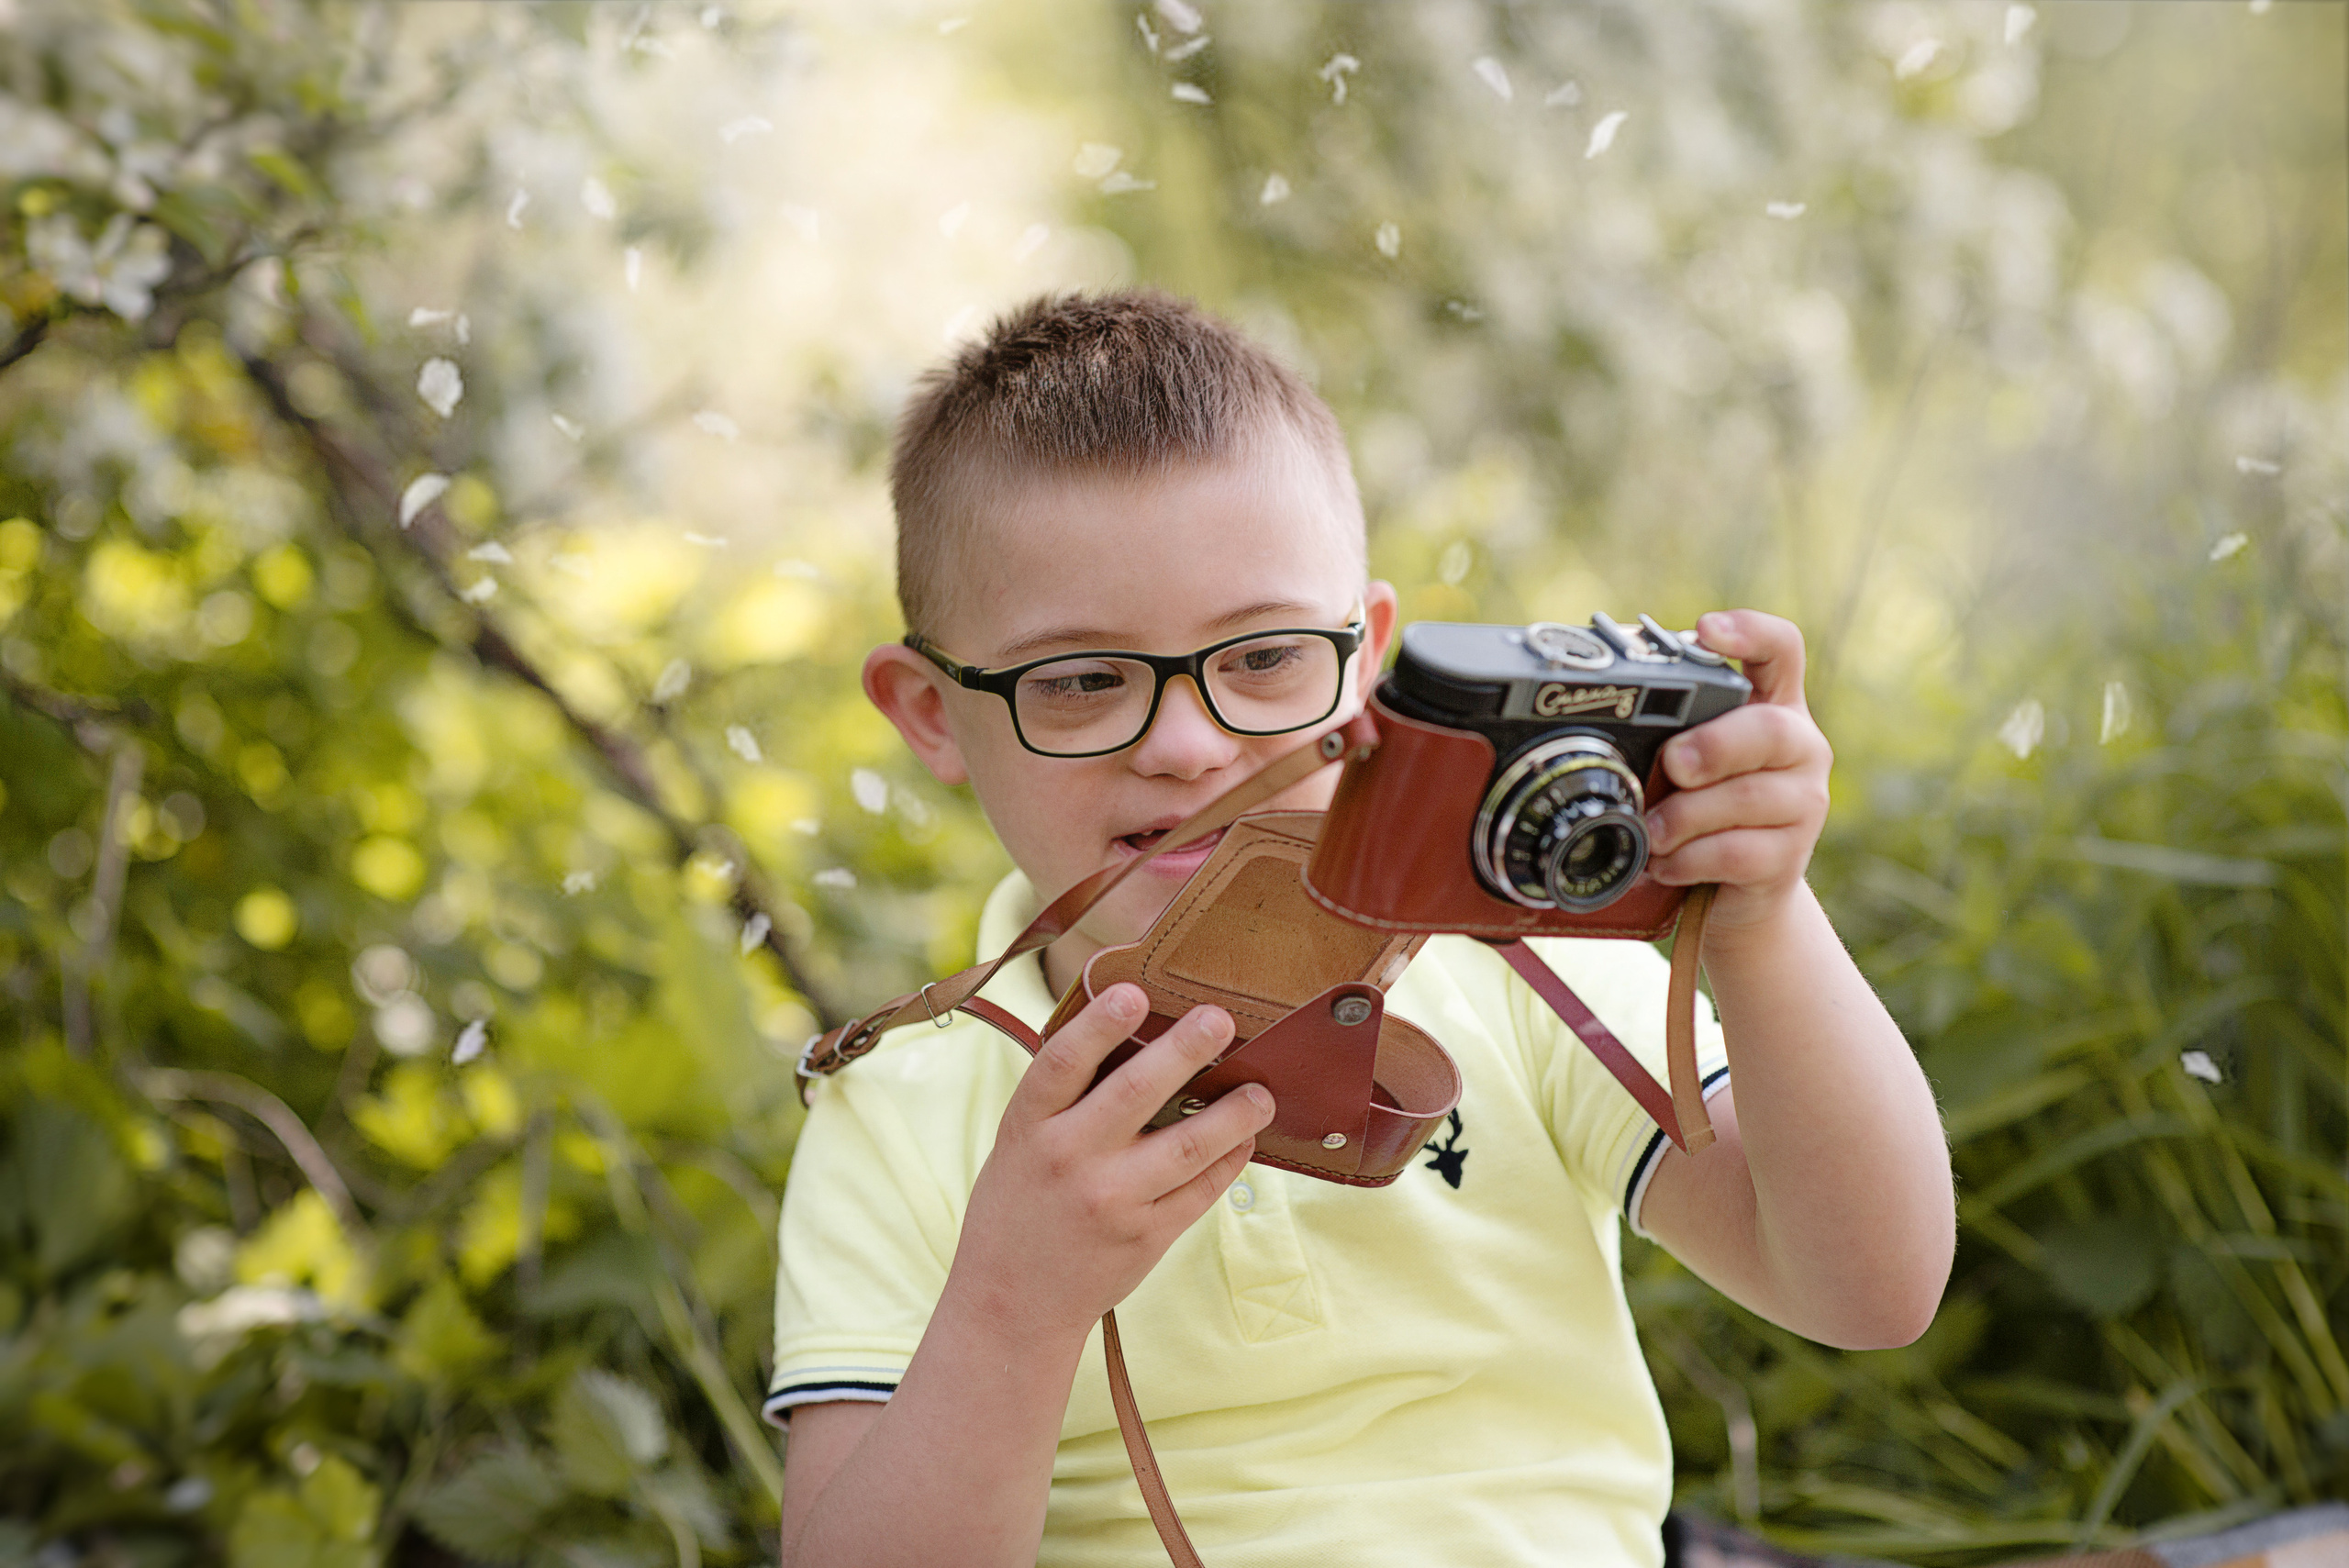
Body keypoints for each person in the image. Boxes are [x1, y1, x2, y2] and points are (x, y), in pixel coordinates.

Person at [768, 289, 1954, 1568]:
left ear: (1369, 658)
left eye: (1267, 657)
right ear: (934, 713)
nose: (1189, 746)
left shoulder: (1512, 961)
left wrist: (1763, 922)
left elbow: (1867, 1287)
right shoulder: (899, 1114)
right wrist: (1013, 1305)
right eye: (1080, 680)